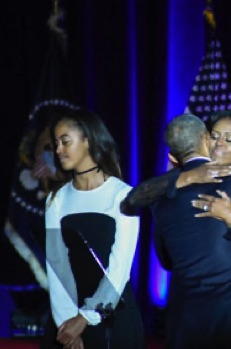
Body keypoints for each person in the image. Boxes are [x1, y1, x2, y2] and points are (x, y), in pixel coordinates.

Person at [121, 110, 231, 344]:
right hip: (218, 315)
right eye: (215, 135)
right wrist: (186, 178)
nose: (219, 143)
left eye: (229, 138)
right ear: (205, 138)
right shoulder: (172, 190)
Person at [41, 108, 144, 349]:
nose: (58, 150)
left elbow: (120, 270)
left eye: (65, 141)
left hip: (112, 316)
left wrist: (85, 318)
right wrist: (66, 322)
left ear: (88, 140)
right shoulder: (56, 199)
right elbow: (56, 265)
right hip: (64, 318)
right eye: (56, 143)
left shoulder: (123, 195)